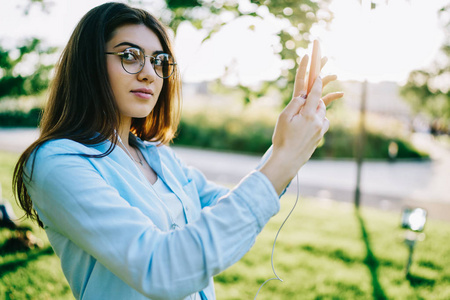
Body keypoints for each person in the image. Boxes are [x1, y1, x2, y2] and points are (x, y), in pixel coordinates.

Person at [12, 2, 343, 300]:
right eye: (129, 55)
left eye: (159, 61)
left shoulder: (157, 155)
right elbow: (160, 267)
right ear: (88, 65)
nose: (148, 73)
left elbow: (229, 208)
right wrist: (284, 157)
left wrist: (286, 144)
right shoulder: (57, 162)